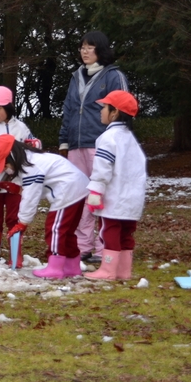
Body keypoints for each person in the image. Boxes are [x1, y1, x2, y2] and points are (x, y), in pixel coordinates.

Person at [58, 31, 129, 264]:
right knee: (80, 196)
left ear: (101, 49)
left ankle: (104, 248)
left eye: (90, 47)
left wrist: (118, 141)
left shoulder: (113, 75)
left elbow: (123, 108)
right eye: (82, 47)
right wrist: (64, 141)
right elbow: (68, 109)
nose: (85, 51)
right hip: (77, 146)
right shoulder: (75, 76)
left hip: (102, 144)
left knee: (102, 196)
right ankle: (83, 246)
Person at [0, 134, 89, 279]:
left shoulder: (30, 167)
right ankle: (72, 266)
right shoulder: (35, 159)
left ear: (12, 156)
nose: (6, 170)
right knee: (67, 232)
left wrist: (22, 222)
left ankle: (55, 267)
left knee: (55, 230)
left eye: (5, 165)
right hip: (77, 188)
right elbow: (41, 186)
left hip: (67, 191)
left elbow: (31, 198)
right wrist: (19, 190)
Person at [83, 91, 146, 281]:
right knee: (127, 233)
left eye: (104, 107)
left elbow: (103, 169)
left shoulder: (108, 138)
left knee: (109, 231)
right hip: (132, 198)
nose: (101, 111)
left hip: (114, 197)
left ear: (115, 112)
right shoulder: (131, 140)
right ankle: (123, 271)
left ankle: (108, 270)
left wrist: (96, 191)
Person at [0, 86, 42, 267]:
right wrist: (4, 161)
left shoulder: (20, 127)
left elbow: (30, 145)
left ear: (9, 106)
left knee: (14, 218)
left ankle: (16, 255)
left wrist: (34, 145)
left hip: (16, 181)